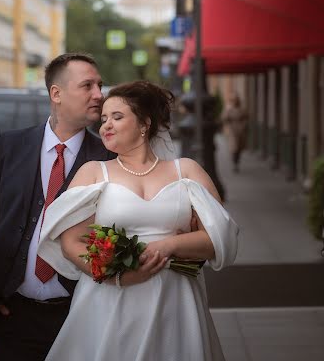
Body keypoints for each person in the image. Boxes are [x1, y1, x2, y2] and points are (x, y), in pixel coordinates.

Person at [38, 80, 239, 361]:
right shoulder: (94, 172)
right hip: (110, 298)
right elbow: (71, 243)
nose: (105, 125)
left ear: (144, 123)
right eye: (104, 118)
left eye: (117, 117)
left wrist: (165, 247)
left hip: (175, 297)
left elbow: (217, 239)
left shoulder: (186, 171)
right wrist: (118, 276)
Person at [0, 53, 116, 361]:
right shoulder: (9, 145)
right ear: (56, 94)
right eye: (87, 86)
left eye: (99, 86)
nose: (99, 95)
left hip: (81, 314)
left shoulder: (108, 157)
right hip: (12, 315)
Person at [222, 93, 248, 173]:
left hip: (240, 131)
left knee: (239, 149)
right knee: (234, 148)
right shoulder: (230, 109)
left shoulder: (242, 109)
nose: (235, 102)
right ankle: (234, 164)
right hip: (232, 131)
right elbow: (224, 118)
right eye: (234, 100)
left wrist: (243, 126)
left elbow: (246, 118)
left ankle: (237, 162)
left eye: (237, 100)